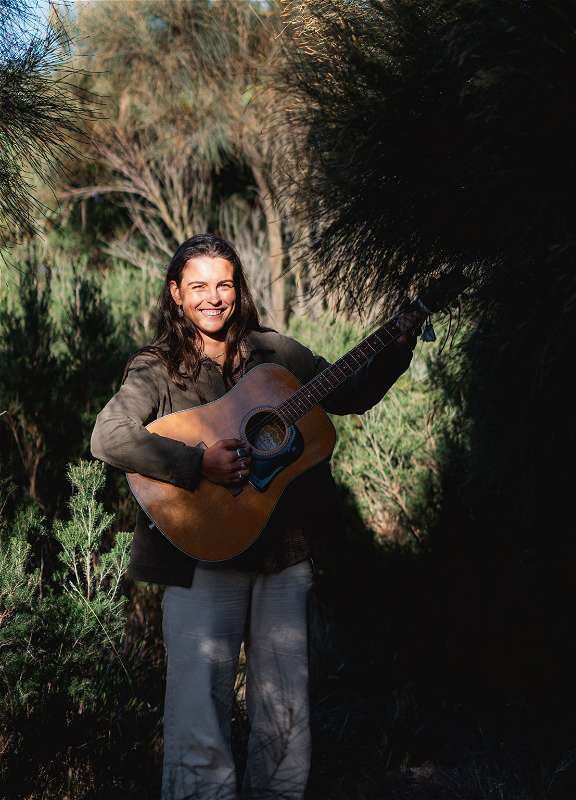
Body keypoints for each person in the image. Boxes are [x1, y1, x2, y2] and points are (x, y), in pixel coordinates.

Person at [90, 233, 419, 800]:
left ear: (239, 289)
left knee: (285, 713)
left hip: (282, 555)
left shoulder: (276, 354)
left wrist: (398, 340)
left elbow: (351, 392)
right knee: (198, 710)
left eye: (223, 284)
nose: (212, 297)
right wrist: (198, 462)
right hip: (197, 559)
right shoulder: (154, 368)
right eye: (197, 286)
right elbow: (109, 436)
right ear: (175, 294)